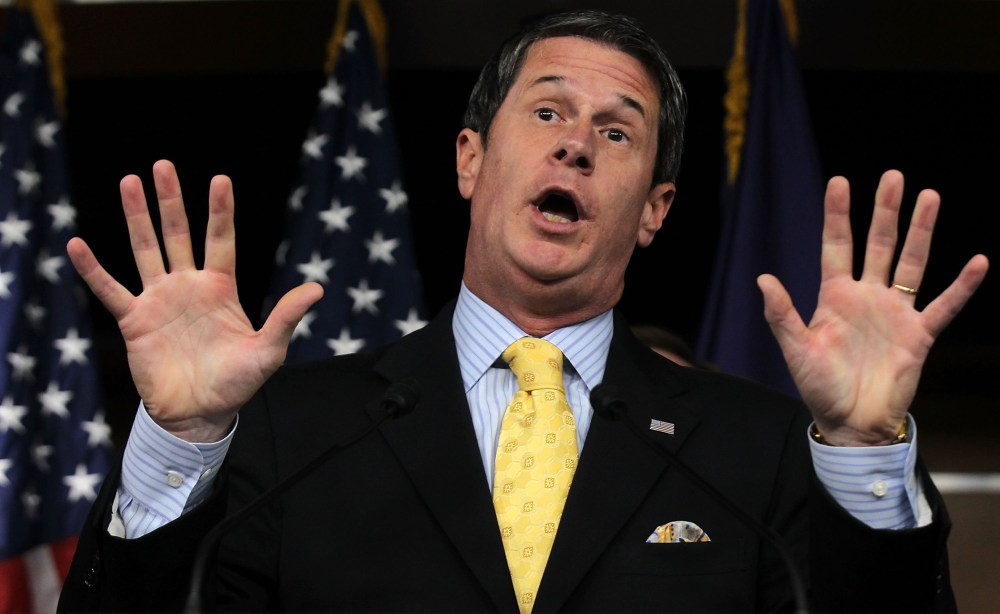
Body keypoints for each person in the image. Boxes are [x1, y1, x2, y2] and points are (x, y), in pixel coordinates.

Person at [58, 9, 988, 613]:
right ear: (470, 159)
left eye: (616, 131)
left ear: (656, 209)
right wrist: (178, 440)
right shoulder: (288, 434)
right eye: (548, 113)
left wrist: (866, 453)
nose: (577, 145)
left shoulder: (763, 451)